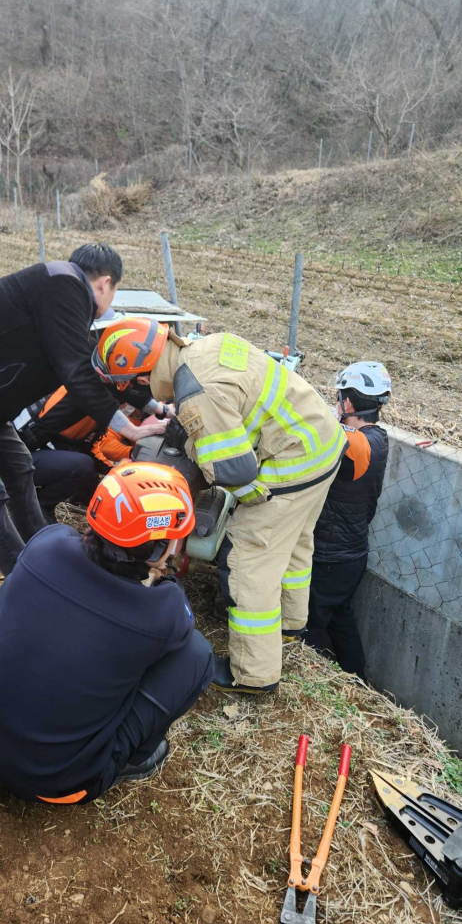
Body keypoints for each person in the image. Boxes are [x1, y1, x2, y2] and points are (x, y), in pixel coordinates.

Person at [144, 327, 347, 695]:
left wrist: (196, 452)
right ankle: (287, 626)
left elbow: (234, 472)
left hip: (293, 461)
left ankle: (254, 674)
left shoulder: (194, 393)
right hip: (322, 442)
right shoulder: (207, 346)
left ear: (147, 372)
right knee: (295, 542)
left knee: (249, 558)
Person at [0, 461, 215, 804]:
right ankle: (136, 756)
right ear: (161, 549)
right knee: (197, 656)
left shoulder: (46, 544)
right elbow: (177, 616)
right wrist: (162, 575)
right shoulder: (163, 613)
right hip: (57, 784)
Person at [0, 246, 162, 575]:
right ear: (105, 283)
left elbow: (99, 369)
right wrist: (128, 428)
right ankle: (21, 573)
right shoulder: (63, 284)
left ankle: (39, 552)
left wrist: (157, 406)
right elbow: (77, 371)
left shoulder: (62, 294)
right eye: (114, 290)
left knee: (19, 469)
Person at [303, 361, 391, 680]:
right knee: (341, 621)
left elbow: (323, 428)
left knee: (307, 627)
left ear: (349, 403)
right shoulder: (378, 438)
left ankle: (309, 683)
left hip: (329, 557)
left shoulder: (358, 445)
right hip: (350, 555)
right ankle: (359, 682)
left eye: (339, 397)